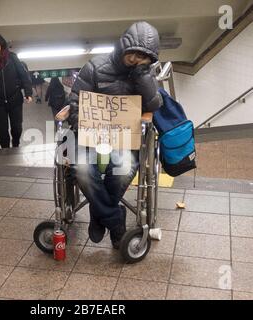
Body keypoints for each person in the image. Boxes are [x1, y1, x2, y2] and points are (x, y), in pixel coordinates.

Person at [67, 21, 163, 249]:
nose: (137, 61)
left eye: (144, 57)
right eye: (133, 55)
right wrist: (86, 126)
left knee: (122, 169)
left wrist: (142, 77)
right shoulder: (94, 67)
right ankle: (114, 219)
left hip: (125, 139)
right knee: (81, 167)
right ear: (123, 48)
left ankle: (98, 213)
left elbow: (154, 105)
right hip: (90, 136)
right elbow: (75, 103)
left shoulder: (146, 74)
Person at [0, 32, 33, 149]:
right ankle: (5, 151)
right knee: (2, 130)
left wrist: (28, 92)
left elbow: (24, 75)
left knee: (17, 127)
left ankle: (16, 144)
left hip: (15, 99)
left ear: (1, 44)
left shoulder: (12, 57)